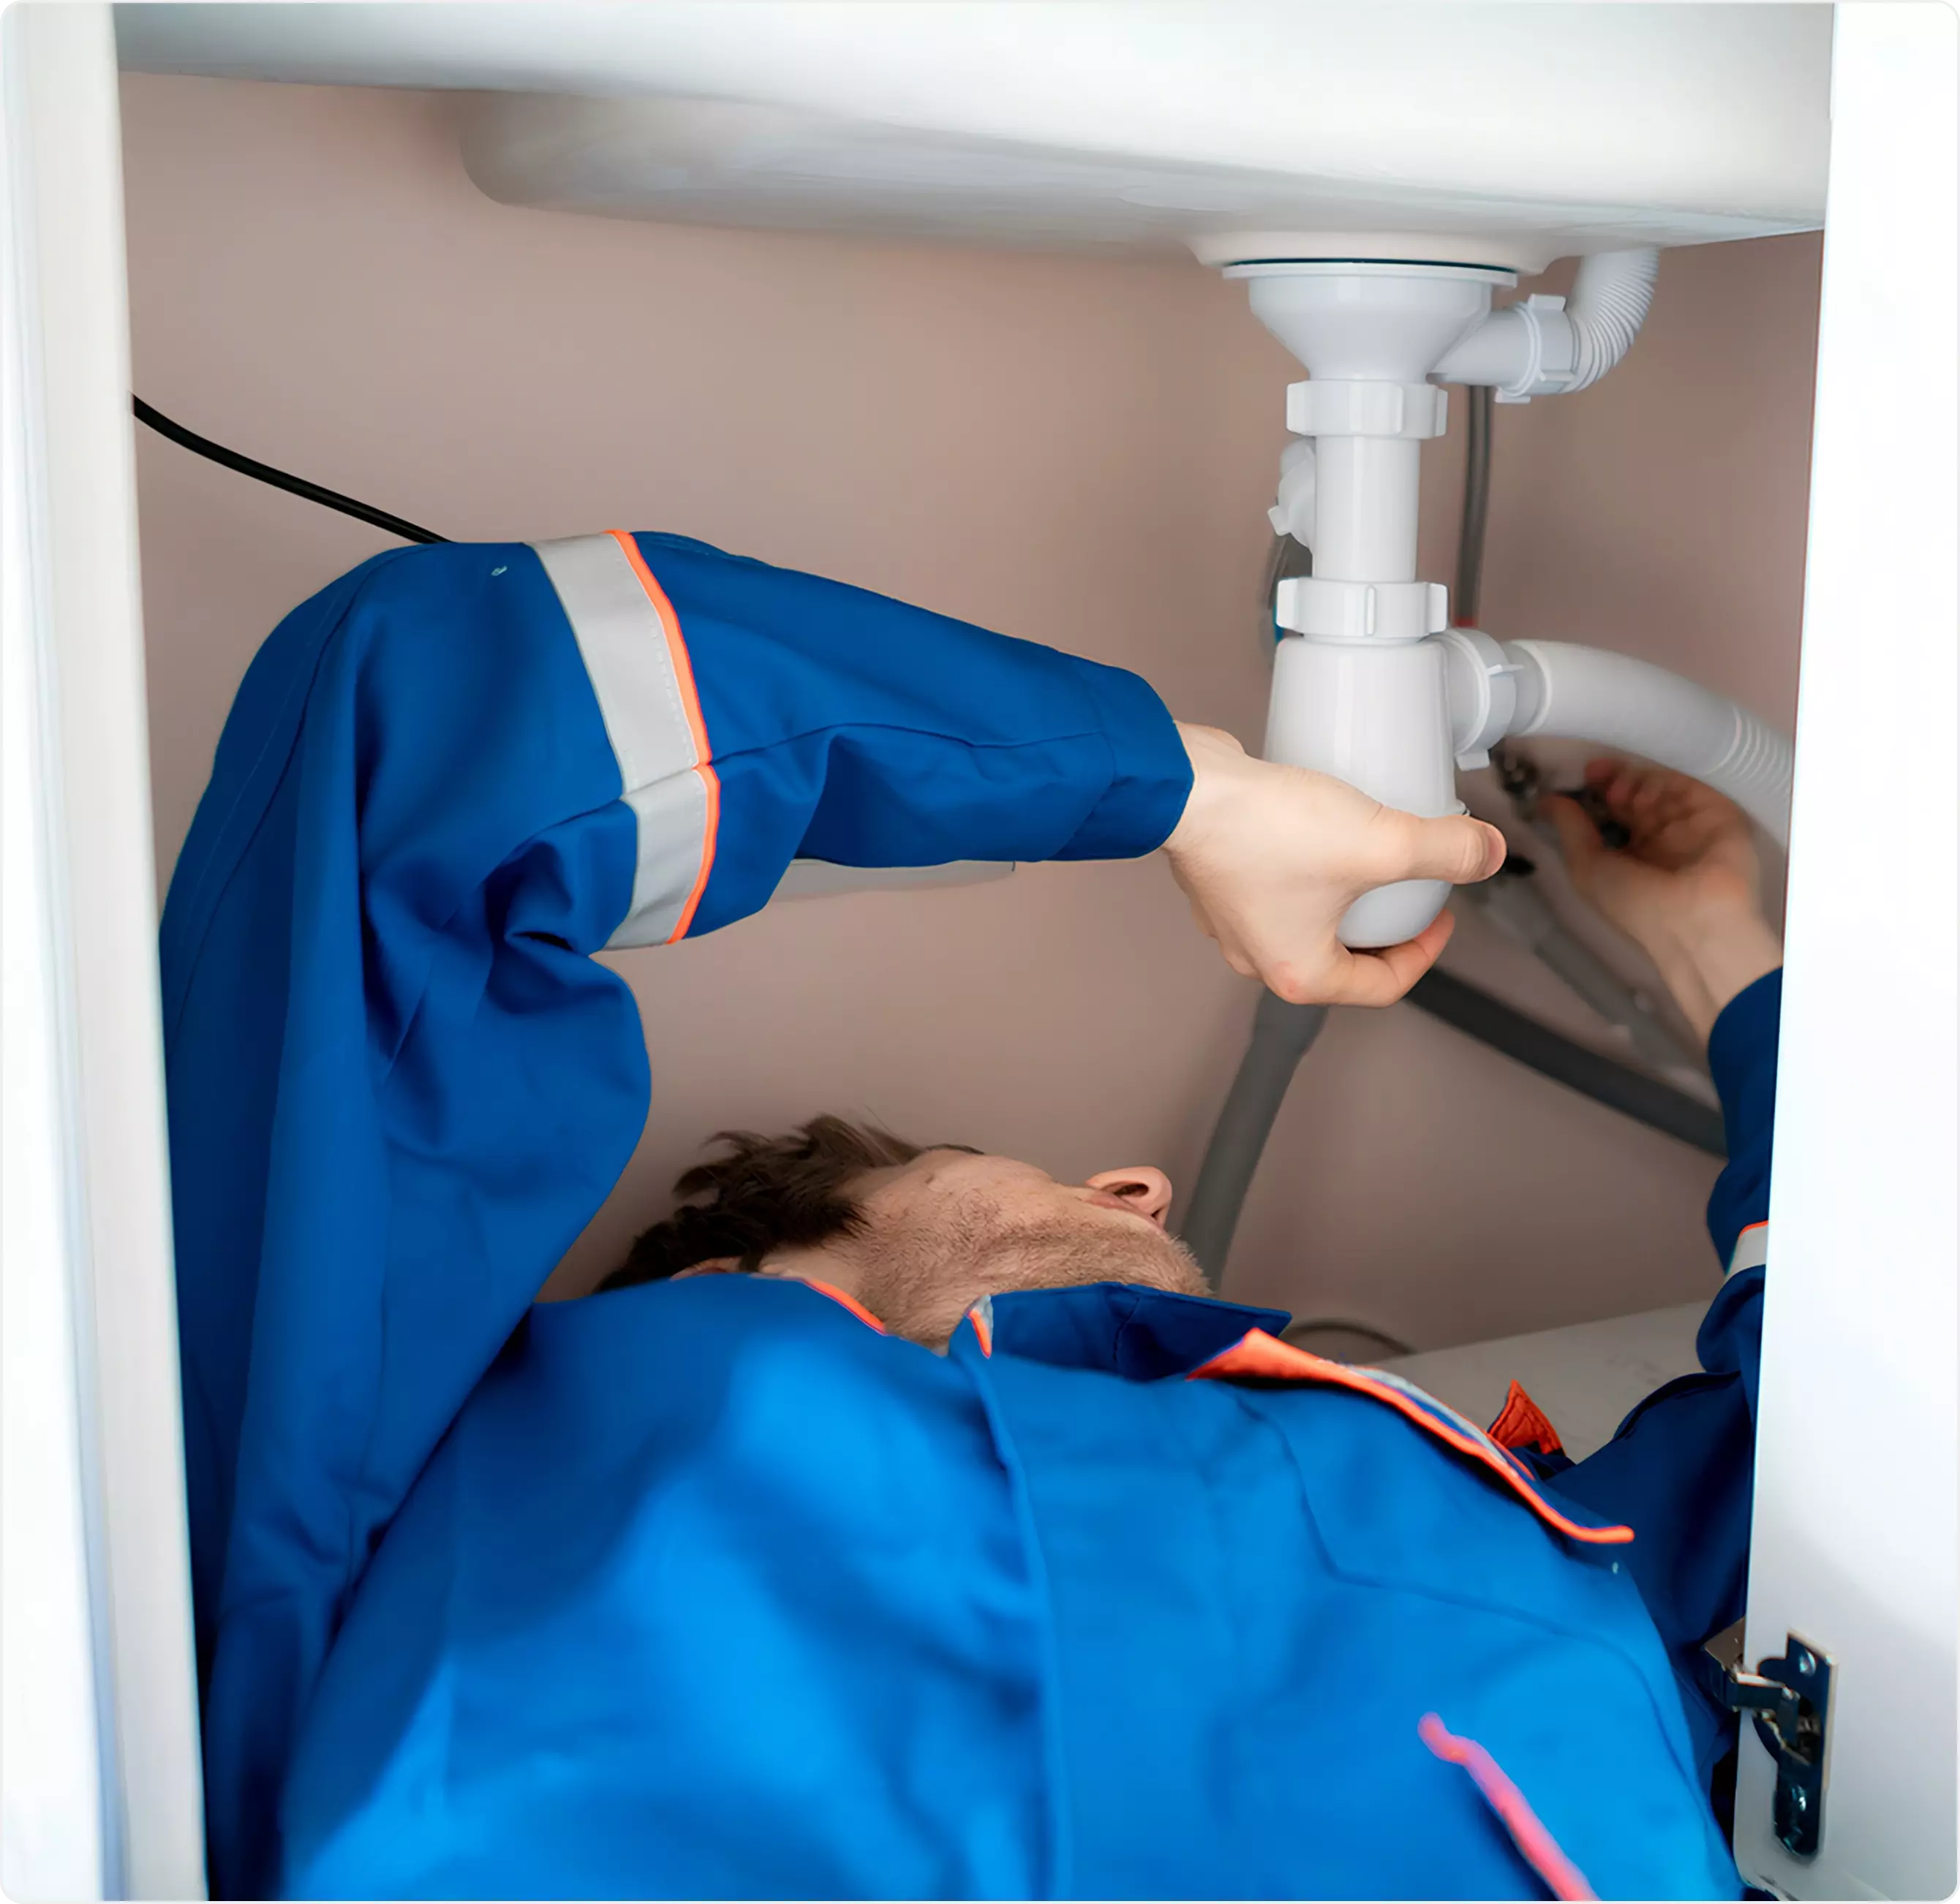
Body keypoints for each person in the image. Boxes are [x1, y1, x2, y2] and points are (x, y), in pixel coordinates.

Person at [162, 529, 1776, 1900]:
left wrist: (1721, 953)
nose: (1139, 1185)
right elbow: (413, 703)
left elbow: (1827, 1404)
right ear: (727, 1274)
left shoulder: (1488, 1514)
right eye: (1005, 1166)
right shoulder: (416, 1468)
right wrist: (1182, 794)